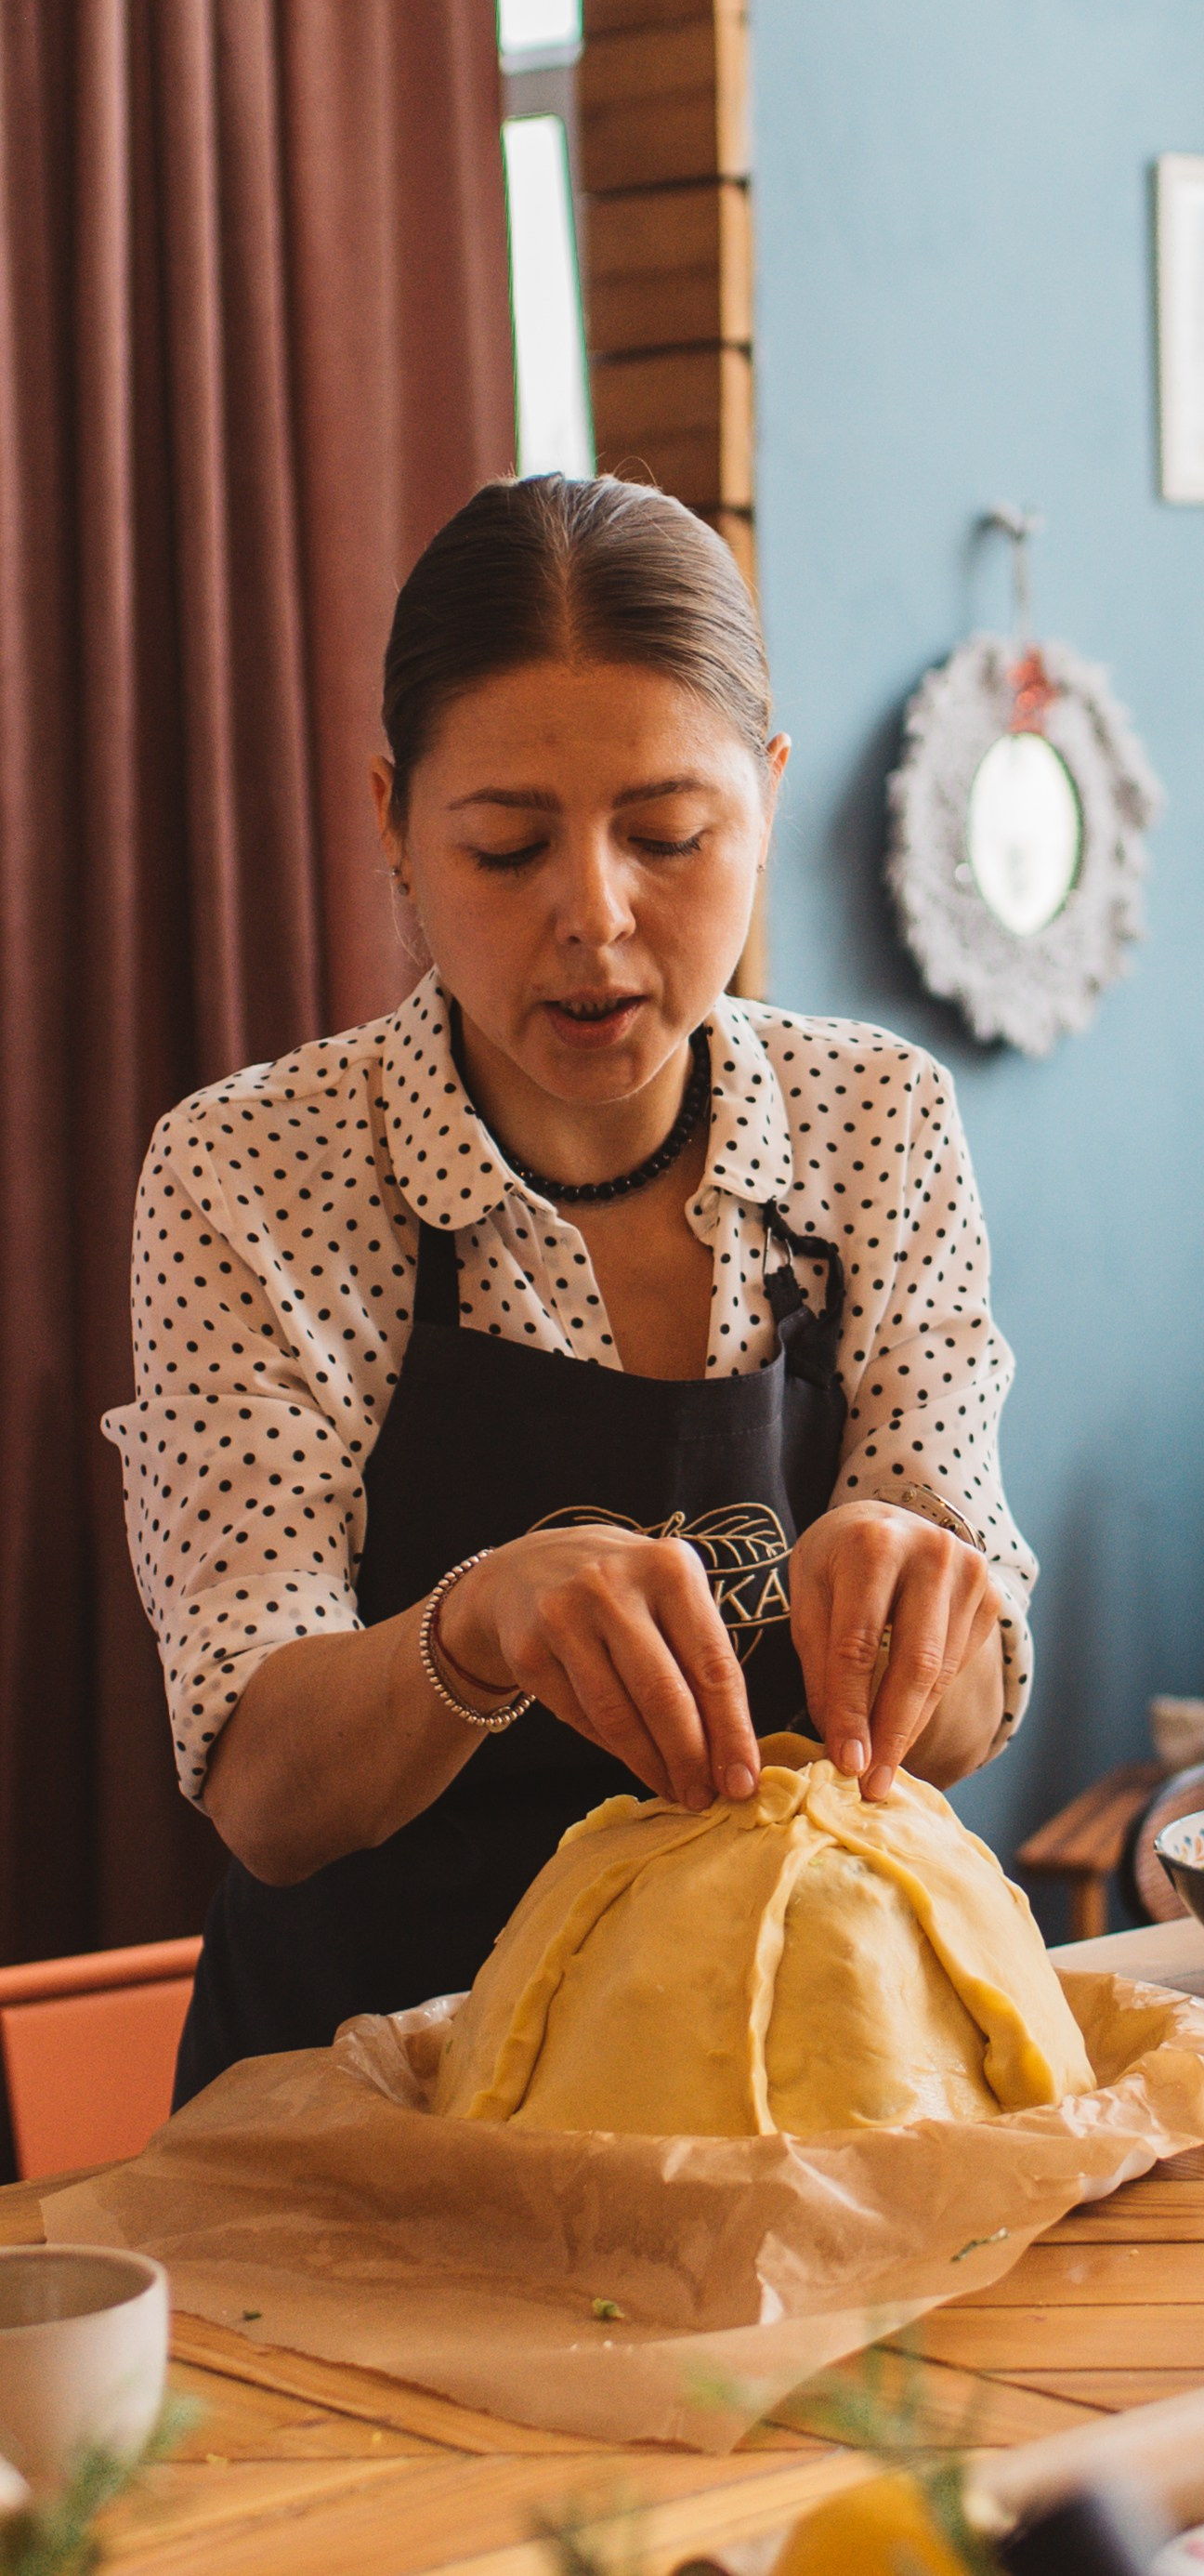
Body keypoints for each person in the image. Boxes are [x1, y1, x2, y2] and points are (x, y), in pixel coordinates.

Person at [111, 474, 1032, 2097]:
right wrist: (475, 1626)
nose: (594, 916)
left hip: (779, 2097)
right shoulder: (253, 1171)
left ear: (766, 797)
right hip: (364, 2105)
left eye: (670, 835)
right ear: (393, 817)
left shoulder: (874, 1125)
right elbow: (262, 1782)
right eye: (505, 842)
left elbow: (952, 1729)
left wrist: (924, 1602)